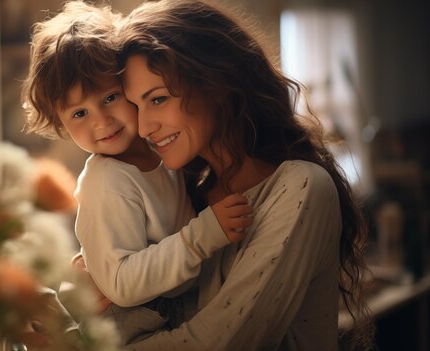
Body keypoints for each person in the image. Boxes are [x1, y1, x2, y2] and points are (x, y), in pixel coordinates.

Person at [115, 0, 373, 349]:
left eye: (158, 99)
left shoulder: (301, 188)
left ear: (216, 83)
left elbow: (218, 342)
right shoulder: (187, 197)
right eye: (135, 106)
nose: (144, 127)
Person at [20, 1, 253, 346]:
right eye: (80, 113)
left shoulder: (162, 153)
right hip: (131, 324)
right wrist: (204, 235)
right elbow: (122, 285)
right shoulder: (107, 180)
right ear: (61, 124)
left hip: (168, 307)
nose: (102, 121)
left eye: (111, 97)